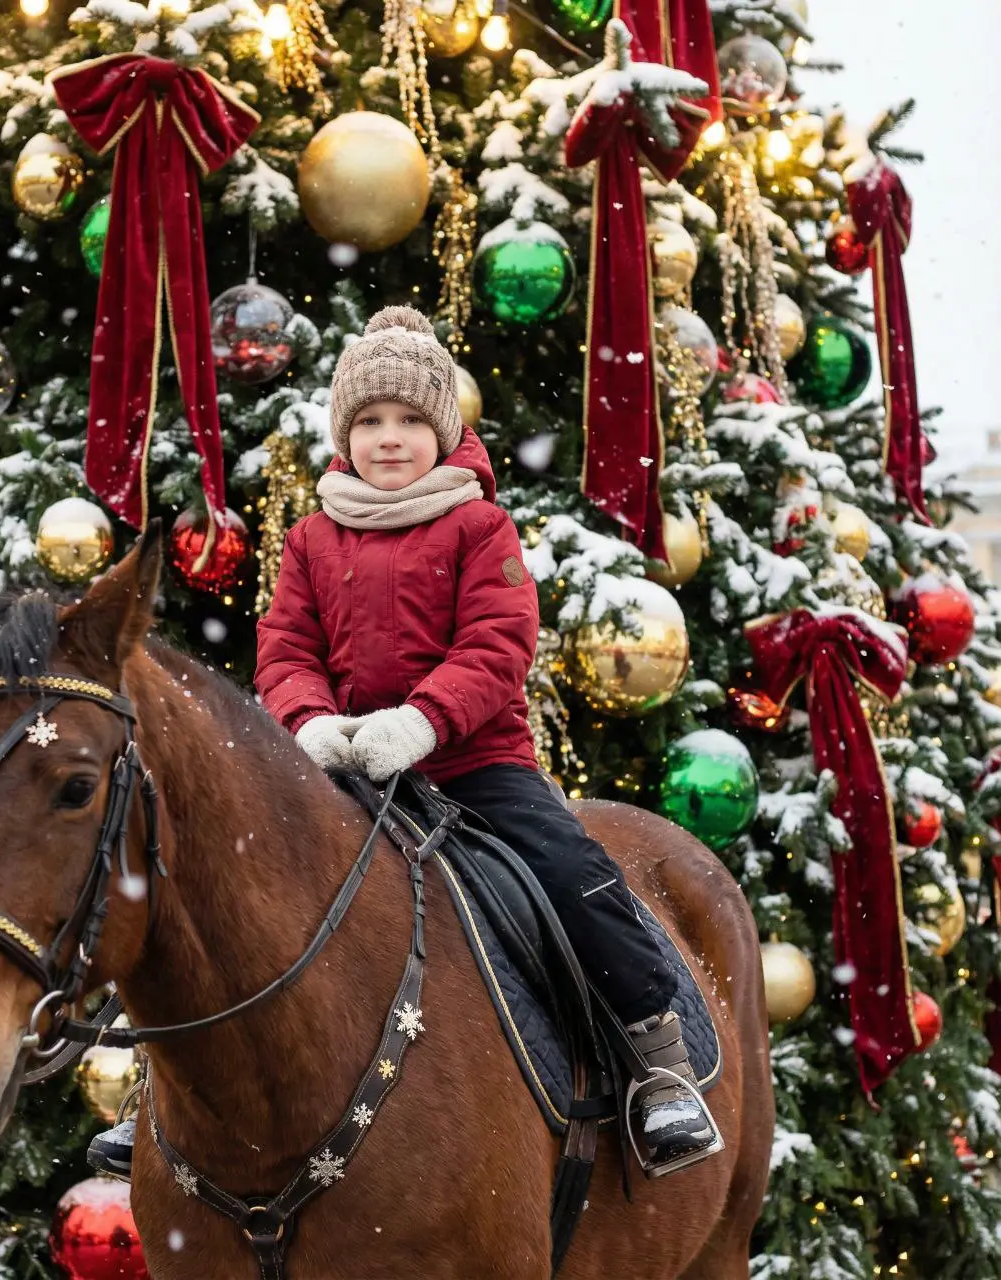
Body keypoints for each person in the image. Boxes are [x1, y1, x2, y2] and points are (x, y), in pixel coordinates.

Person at [87, 306, 719, 1182]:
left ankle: (656, 1058)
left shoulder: (479, 528)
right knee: (218, 894)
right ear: (347, 436)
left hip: (472, 763)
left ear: (444, 431)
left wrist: (421, 720)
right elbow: (286, 647)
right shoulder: (312, 537)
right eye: (372, 422)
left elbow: (498, 646)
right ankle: (156, 1088)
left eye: (411, 421)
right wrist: (310, 725)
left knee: (571, 870)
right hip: (339, 770)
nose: (391, 439)